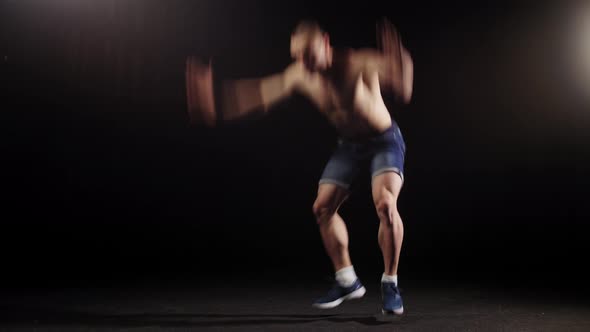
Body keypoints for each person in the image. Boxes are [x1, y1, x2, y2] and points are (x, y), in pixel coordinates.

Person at [185, 17, 413, 315]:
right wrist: (217, 104)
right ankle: (347, 280)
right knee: (322, 208)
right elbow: (260, 93)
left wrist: (403, 66)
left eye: (309, 55)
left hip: (383, 141)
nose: (304, 63)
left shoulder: (357, 63)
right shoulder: (300, 75)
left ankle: (390, 282)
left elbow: (403, 88)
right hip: (349, 147)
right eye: (298, 57)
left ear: (326, 44)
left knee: (385, 204)